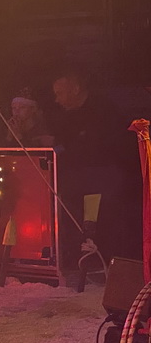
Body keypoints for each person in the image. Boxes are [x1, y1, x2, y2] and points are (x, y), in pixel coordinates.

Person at [49, 71, 138, 264]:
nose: (57, 99)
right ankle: (80, 258)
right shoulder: (67, 116)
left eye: (60, 93)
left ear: (75, 89)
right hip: (83, 178)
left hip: (106, 177)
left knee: (103, 222)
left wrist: (65, 149)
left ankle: (106, 260)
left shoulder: (103, 110)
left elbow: (95, 147)